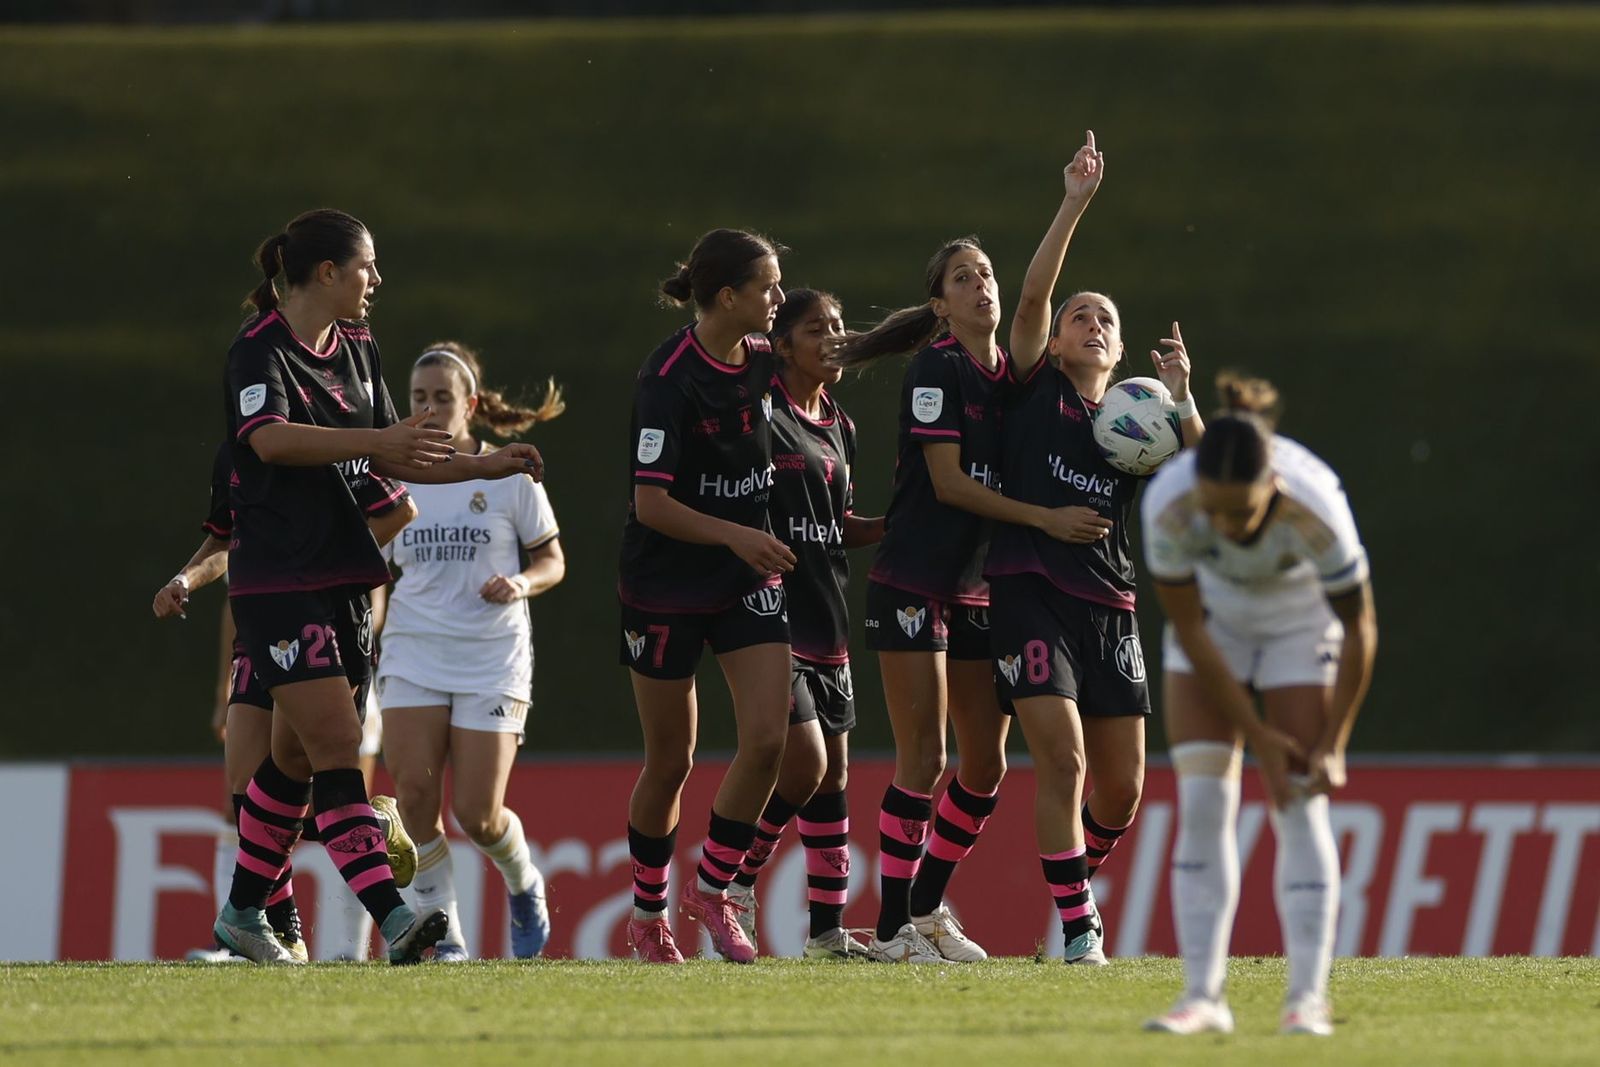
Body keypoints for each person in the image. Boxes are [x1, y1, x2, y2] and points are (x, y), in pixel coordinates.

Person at [215, 207, 543, 965]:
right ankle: (399, 921)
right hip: (279, 580)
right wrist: (373, 442)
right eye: (366, 267)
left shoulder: (359, 345)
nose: (376, 280)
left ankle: (241, 913)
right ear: (326, 273)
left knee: (295, 759)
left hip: (348, 580)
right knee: (334, 745)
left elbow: (401, 455)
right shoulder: (257, 349)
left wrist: (481, 466)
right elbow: (269, 439)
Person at [833, 227, 1090, 963]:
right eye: (962, 279)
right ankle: (890, 933)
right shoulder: (934, 368)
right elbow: (948, 485)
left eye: (986, 274)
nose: (982, 286)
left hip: (978, 592)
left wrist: (1073, 202)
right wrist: (1044, 518)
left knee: (985, 766)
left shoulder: (1010, 371)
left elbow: (1039, 293)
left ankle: (923, 906)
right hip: (914, 581)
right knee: (923, 760)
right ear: (941, 306)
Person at [985, 131, 1203, 965]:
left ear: (1119, 351)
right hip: (1029, 589)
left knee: (1124, 789)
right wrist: (1074, 201)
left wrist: (1182, 402)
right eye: (1082, 314)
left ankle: (1067, 899)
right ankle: (1081, 928)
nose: (1092, 322)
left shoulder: (1136, 427)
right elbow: (1034, 295)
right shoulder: (1037, 384)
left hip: (1109, 605)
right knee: (1065, 761)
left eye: (1106, 318)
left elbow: (1212, 477)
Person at [1140, 374, 1376, 1036]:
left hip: (1300, 623)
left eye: (1240, 512)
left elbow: (1360, 627)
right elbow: (1188, 627)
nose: (1224, 525)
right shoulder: (1169, 502)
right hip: (1214, 622)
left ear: (1272, 486)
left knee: (1300, 799)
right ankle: (1203, 997)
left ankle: (1307, 999)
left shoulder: (1317, 505)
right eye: (1214, 510)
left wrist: (1331, 742)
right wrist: (1255, 733)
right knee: (1205, 801)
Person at [153, 442, 417, 963]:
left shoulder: (335, 446)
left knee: (318, 787)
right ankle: (284, 932)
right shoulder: (235, 455)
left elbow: (398, 514)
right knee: (243, 788)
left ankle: (356, 928)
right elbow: (226, 545)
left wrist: (316, 572)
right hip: (258, 634)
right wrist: (184, 580)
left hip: (327, 636)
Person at [619, 228, 794, 964]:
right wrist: (736, 534)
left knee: (768, 738)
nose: (779, 300)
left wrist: (927, 324)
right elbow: (650, 503)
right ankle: (647, 913)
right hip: (664, 583)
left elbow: (838, 352)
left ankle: (713, 888)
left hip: (743, 578)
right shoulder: (668, 377)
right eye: (770, 287)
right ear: (729, 296)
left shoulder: (762, 361)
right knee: (672, 759)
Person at [378, 340, 566, 961]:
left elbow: (551, 560)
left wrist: (520, 582)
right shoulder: (392, 473)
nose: (429, 410)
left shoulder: (506, 472)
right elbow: (375, 574)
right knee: (414, 800)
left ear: (471, 404)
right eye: (418, 399)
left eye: (442, 398)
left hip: (491, 655)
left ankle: (523, 881)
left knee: (477, 814)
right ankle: (448, 937)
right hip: (412, 651)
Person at [722, 289, 883, 959]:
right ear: (783, 345)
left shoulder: (841, 425)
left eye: (842, 326)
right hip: (767, 612)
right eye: (817, 328)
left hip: (828, 616)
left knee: (835, 775)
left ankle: (825, 936)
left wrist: (896, 526)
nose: (835, 337)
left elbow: (838, 527)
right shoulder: (762, 413)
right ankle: (734, 878)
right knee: (808, 761)